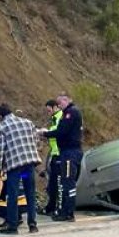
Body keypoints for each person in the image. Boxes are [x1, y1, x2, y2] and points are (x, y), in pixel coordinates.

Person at [0, 103, 41, 234]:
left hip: (15, 168)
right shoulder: (27, 122)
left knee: (12, 195)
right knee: (30, 193)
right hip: (28, 166)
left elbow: (0, 151)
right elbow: (37, 141)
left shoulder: (1, 127)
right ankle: (33, 225)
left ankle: (13, 226)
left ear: (0, 116)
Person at [42, 92, 83, 221]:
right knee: (65, 182)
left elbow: (61, 131)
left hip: (70, 152)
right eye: (58, 103)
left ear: (67, 100)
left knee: (68, 183)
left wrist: (45, 134)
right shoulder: (68, 113)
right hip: (67, 151)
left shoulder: (71, 113)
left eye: (60, 102)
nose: (59, 105)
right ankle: (64, 211)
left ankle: (68, 212)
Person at [41, 99, 63, 215]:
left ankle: (59, 208)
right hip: (55, 153)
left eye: (49, 110)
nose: (48, 113)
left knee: (58, 183)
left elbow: (58, 133)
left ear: (55, 107)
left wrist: (46, 133)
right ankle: (51, 207)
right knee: (52, 183)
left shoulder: (60, 117)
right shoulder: (55, 118)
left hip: (60, 153)